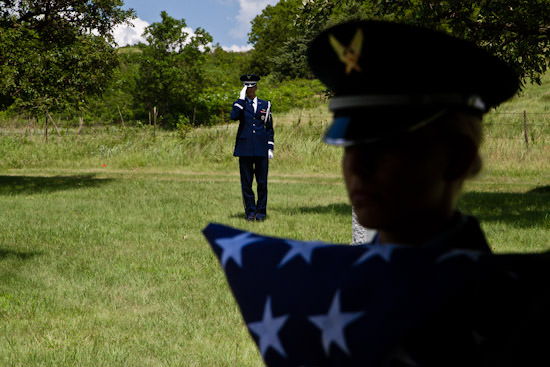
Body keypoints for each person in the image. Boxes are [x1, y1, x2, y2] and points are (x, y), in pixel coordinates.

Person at [203, 21, 550, 366]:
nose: (357, 167)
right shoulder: (334, 290)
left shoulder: (514, 312)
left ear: (458, 157)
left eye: (386, 146)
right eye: (349, 143)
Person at [230, 74, 274, 221]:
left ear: (256, 87)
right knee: (246, 183)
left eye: (252, 86)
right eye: (246, 87)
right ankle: (250, 212)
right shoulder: (239, 104)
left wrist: (270, 147)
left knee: (262, 183)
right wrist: (241, 99)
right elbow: (234, 116)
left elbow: (269, 128)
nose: (250, 89)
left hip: (261, 148)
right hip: (245, 148)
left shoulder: (265, 105)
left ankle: (261, 212)